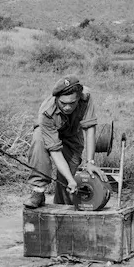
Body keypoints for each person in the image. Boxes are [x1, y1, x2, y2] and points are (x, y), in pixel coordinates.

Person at [24, 75, 106, 208]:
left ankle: (62, 208)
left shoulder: (86, 97)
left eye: (72, 103)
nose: (67, 108)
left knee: (69, 180)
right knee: (38, 138)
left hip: (73, 134)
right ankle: (38, 191)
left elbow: (90, 128)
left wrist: (90, 162)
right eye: (63, 103)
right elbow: (54, 150)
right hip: (49, 133)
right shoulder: (46, 113)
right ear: (56, 98)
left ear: (78, 97)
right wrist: (69, 179)